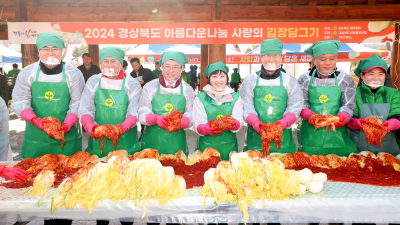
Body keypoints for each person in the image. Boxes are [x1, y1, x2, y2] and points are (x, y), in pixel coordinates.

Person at [11, 32, 84, 159]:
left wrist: (67, 123)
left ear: (62, 51)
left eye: (55, 49)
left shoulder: (74, 74)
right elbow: (19, 100)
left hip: (68, 136)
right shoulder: (27, 73)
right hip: (36, 136)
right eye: (45, 49)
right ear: (39, 51)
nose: (50, 53)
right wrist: (35, 119)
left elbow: (78, 102)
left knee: (70, 172)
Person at [241, 38, 303, 153]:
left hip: (283, 142)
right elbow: (245, 105)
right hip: (255, 141)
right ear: (261, 57)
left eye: (275, 55)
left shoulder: (289, 81)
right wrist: (255, 122)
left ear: (281, 57)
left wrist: (283, 123)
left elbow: (295, 105)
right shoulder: (250, 81)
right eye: (267, 55)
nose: (271, 59)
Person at [79, 47, 141, 157]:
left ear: (121, 64)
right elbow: (86, 107)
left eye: (113, 61)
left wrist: (123, 127)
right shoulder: (93, 81)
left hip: (125, 142)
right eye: (105, 61)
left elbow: (134, 111)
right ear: (101, 64)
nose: (109, 65)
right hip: (98, 140)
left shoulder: (132, 84)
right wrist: (88, 125)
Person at [298, 40, 357, 156]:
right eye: (322, 59)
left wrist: (342, 117)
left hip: (337, 135)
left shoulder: (345, 80)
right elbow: (301, 104)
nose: (328, 63)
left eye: (332, 58)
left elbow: (348, 105)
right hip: (310, 136)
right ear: (314, 60)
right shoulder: (304, 80)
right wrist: (311, 116)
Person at [138, 51, 195, 154]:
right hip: (151, 144)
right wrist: (155, 119)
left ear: (182, 68)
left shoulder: (188, 90)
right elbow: (142, 112)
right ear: (161, 67)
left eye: (176, 67)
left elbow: (191, 114)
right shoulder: (150, 87)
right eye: (167, 66)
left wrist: (182, 122)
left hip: (177, 146)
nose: (171, 70)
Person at [347, 55, 400, 154]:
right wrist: (356, 123)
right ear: (362, 76)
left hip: (389, 152)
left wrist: (390, 125)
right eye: (371, 74)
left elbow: (398, 116)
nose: (376, 78)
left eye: (381, 74)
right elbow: (349, 118)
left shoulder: (394, 94)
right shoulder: (354, 93)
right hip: (359, 151)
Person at [193, 61, 243, 160]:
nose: (218, 80)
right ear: (209, 79)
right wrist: (204, 129)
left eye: (222, 76)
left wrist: (235, 124)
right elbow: (197, 121)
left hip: (229, 149)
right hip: (205, 148)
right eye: (214, 76)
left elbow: (238, 117)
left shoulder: (236, 97)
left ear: (227, 78)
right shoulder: (200, 98)